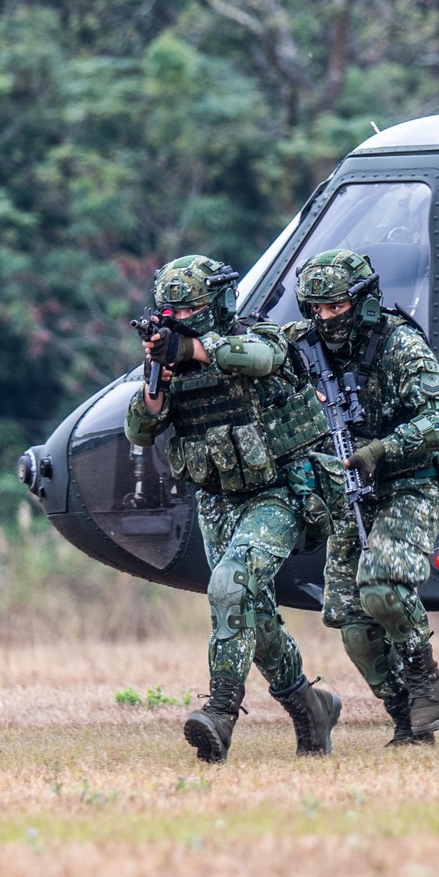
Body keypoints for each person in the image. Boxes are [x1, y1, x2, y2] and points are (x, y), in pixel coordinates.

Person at [125, 254, 342, 763]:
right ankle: (311, 711)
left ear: (219, 301)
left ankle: (220, 713)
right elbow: (141, 430)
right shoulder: (169, 358)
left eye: (193, 308)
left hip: (282, 489)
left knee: (229, 585)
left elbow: (260, 359)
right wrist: (157, 374)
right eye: (172, 313)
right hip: (219, 499)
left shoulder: (259, 335)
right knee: (253, 613)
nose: (181, 320)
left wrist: (196, 348)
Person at [289, 248, 439, 747]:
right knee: (353, 625)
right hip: (351, 491)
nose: (325, 319)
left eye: (335, 308)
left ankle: (424, 675)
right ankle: (407, 719)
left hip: (411, 480)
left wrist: (382, 449)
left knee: (383, 588)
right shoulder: (305, 345)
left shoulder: (399, 343)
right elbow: (261, 352)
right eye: (315, 309)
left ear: (361, 303)